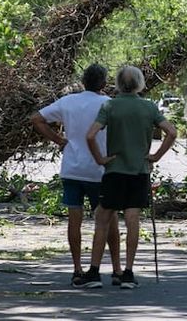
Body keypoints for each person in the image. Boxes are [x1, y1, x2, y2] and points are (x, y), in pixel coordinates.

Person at [80, 65, 177, 289]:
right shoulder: (148, 107)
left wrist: (100, 159)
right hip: (138, 171)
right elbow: (171, 132)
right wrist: (155, 157)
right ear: (140, 84)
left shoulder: (109, 106)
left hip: (114, 171)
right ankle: (128, 273)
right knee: (132, 220)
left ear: (117, 84)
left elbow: (90, 135)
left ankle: (94, 272)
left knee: (102, 219)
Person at [30, 64, 121, 287]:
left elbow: (36, 118)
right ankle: (117, 269)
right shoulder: (108, 104)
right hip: (99, 169)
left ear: (83, 81)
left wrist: (59, 140)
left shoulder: (68, 102)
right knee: (109, 221)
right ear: (103, 83)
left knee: (74, 219)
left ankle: (77, 269)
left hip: (72, 167)